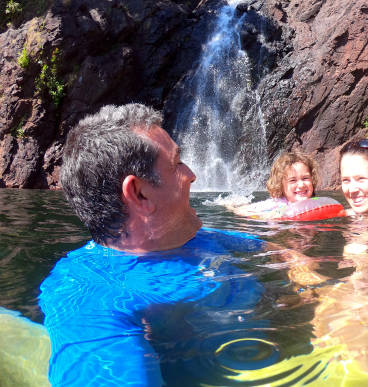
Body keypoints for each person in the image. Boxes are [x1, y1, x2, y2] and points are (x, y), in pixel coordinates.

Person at [39, 103, 323, 386]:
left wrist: (308, 276)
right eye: (177, 164)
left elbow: (270, 248)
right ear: (139, 194)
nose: (192, 175)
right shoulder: (88, 296)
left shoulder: (196, 236)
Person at [230, 151, 319, 219]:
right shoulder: (277, 205)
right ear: (280, 186)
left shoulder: (318, 203)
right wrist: (268, 215)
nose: (301, 185)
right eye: (293, 180)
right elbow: (241, 211)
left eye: (305, 178)